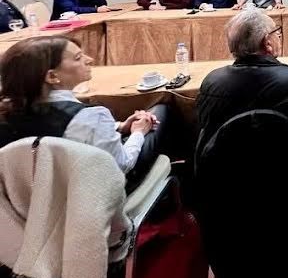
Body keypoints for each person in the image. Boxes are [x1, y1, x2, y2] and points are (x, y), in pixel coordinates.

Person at [0, 37, 170, 189]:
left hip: (29, 198)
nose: (90, 60)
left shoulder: (8, 111)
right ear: (52, 76)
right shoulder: (91, 116)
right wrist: (138, 132)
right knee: (160, 111)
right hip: (92, 196)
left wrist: (119, 127)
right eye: (78, 58)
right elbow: (121, 166)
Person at [196, 9, 288, 161]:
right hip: (286, 167)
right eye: (276, 32)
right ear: (267, 42)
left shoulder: (211, 82)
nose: (279, 35)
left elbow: (205, 130)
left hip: (224, 169)